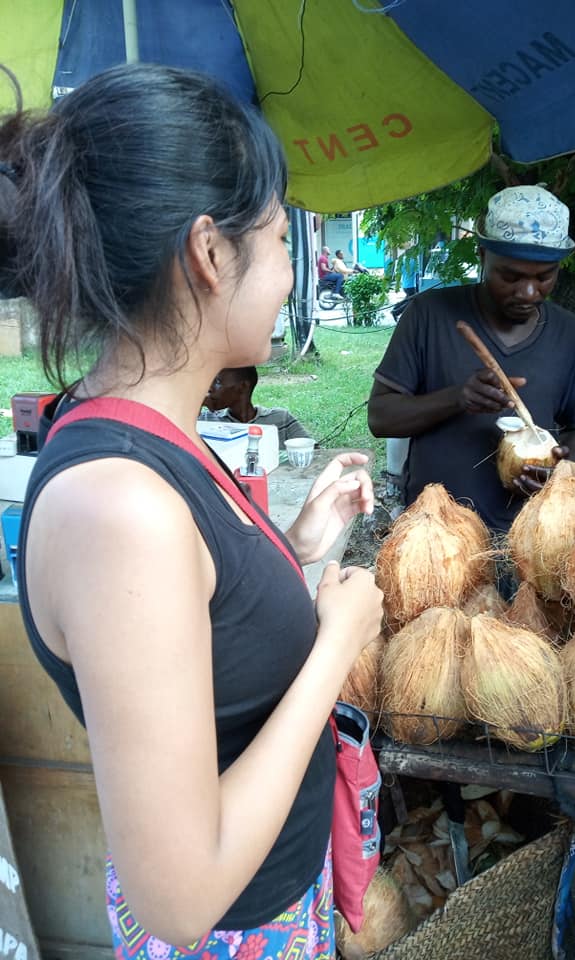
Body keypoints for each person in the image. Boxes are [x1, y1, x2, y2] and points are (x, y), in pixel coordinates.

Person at [3, 64, 383, 958]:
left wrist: (295, 546)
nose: (294, 274)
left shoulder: (154, 435)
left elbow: (199, 634)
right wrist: (335, 645)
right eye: (284, 239)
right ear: (210, 254)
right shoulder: (117, 507)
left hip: (275, 905)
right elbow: (178, 897)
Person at [368, 185, 575, 535]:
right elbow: (381, 418)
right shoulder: (428, 315)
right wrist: (457, 398)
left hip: (531, 535)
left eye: (544, 277)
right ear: (482, 256)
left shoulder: (569, 334)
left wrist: (563, 474)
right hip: (436, 532)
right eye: (510, 276)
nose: (528, 292)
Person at [204, 366, 312, 448]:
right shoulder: (206, 420)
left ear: (243, 386)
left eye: (217, 382)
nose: (209, 389)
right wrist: (196, 406)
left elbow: (313, 452)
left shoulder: (280, 419)